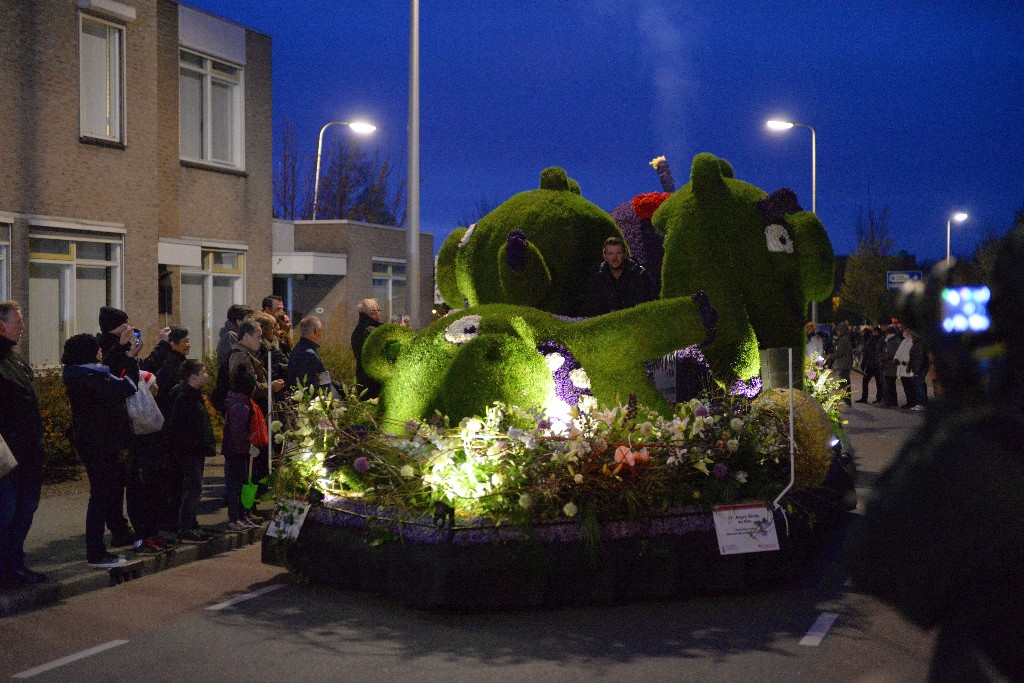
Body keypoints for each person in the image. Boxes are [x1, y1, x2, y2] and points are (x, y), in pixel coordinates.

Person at [61, 332, 140, 568]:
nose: (100, 352)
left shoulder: (82, 374)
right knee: (101, 496)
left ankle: (98, 549)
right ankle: (96, 553)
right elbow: (127, 387)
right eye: (96, 349)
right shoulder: (89, 378)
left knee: (103, 493)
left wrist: (119, 347)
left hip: (96, 443)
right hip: (100, 444)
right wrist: (131, 359)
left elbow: (105, 367)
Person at [0, 301, 47, 587]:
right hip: (9, 454)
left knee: (25, 509)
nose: (22, 325)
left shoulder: (15, 360)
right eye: (17, 320)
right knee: (8, 511)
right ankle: (6, 569)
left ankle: (15, 564)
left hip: (28, 452)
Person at [223, 321, 284, 531]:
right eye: (258, 336)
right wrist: (271, 387)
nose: (260, 341)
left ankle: (245, 512)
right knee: (240, 473)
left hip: (250, 417)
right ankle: (239, 514)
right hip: (245, 423)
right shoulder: (240, 357)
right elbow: (249, 386)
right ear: (247, 336)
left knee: (247, 471)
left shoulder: (247, 355)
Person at [164, 360, 216, 543]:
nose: (207, 375)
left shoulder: (193, 395)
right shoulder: (184, 398)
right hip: (189, 451)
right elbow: (179, 428)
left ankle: (190, 523)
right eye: (203, 372)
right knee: (193, 487)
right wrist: (194, 444)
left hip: (194, 449)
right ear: (193, 377)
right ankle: (185, 527)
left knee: (194, 486)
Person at [583, 236, 655, 316]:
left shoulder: (640, 275)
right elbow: (593, 309)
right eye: (610, 253)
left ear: (625, 254)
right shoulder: (597, 277)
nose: (615, 258)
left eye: (618, 253)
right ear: (605, 256)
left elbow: (645, 307)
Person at [287, 315, 331, 393]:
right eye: (321, 330)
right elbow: (320, 381)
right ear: (315, 331)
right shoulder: (309, 354)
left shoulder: (299, 348)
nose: (322, 333)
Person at [350, 298, 383, 399]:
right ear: (372, 313)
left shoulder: (357, 331)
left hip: (362, 380)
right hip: (375, 382)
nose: (380, 314)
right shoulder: (373, 332)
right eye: (378, 310)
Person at [856, 326, 881, 403]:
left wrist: (864, 362)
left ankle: (877, 398)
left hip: (874, 364)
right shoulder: (873, 340)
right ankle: (868, 398)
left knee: (877, 382)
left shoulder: (876, 340)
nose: (874, 333)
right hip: (872, 364)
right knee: (869, 381)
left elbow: (867, 352)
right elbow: (866, 352)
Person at [831, 322, 853, 405]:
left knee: (842, 382)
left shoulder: (843, 340)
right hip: (845, 364)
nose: (837, 332)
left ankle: (841, 399)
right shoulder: (845, 339)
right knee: (846, 383)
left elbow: (839, 353)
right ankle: (847, 400)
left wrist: (829, 356)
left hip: (843, 364)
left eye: (838, 330)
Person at [894, 328, 917, 409]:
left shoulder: (912, 342)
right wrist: (896, 358)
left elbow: (911, 353)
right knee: (906, 387)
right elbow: (898, 351)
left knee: (910, 386)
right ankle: (909, 402)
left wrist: (906, 361)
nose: (907, 332)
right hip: (901, 367)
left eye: (908, 331)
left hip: (907, 368)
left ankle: (912, 402)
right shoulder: (904, 341)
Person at [880, 325, 901, 407]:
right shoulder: (893, 340)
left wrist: (882, 358)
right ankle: (891, 401)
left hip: (890, 365)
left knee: (888, 385)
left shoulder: (893, 341)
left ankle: (889, 402)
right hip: (890, 365)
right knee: (890, 385)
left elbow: (889, 353)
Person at [908, 330, 929, 411]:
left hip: (919, 369)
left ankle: (922, 403)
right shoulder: (916, 344)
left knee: (920, 386)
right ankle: (920, 403)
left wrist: (917, 371)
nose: (911, 338)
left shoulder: (919, 345)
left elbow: (920, 359)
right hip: (917, 368)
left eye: (912, 336)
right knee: (917, 386)